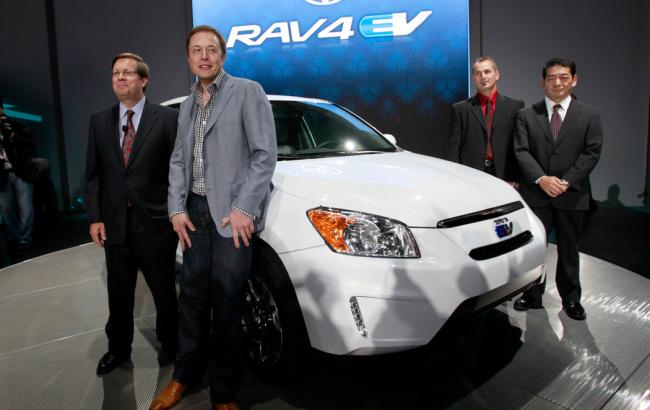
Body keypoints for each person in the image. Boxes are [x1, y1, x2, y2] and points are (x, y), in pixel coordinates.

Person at [149, 26, 276, 410]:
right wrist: (175, 209)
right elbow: (178, 161)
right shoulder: (188, 103)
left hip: (230, 217)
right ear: (189, 58)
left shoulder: (247, 91)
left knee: (226, 304)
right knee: (190, 298)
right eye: (196, 50)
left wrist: (243, 209)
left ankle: (223, 390)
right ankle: (184, 376)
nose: (203, 56)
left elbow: (264, 156)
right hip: (194, 214)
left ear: (222, 55)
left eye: (211, 50)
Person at [85, 52, 179, 375]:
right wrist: (95, 217)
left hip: (156, 224)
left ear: (144, 80)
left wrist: (175, 212)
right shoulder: (99, 121)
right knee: (119, 293)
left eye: (127, 72)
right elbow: (93, 175)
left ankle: (171, 344)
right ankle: (118, 349)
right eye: (116, 73)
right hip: (115, 225)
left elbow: (177, 171)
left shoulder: (166, 119)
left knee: (164, 291)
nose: (121, 77)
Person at [513, 57, 603, 321]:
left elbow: (592, 151)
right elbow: (521, 150)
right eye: (551, 78)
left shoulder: (589, 114)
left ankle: (571, 298)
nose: (558, 82)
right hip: (537, 194)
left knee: (569, 249)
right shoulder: (527, 115)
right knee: (534, 247)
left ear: (574, 80)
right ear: (543, 82)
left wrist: (566, 181)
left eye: (564, 77)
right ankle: (531, 294)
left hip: (572, 194)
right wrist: (542, 179)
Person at [447, 57, 524, 184]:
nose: (483, 76)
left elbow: (520, 147)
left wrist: (517, 179)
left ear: (497, 74)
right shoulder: (461, 109)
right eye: (478, 73)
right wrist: (455, 179)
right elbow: (453, 150)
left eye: (487, 72)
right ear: (474, 78)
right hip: (470, 176)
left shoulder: (515, 107)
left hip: (505, 176)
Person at [0, 106, 37, 250]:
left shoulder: (16, 125)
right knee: (6, 209)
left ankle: (24, 238)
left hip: (21, 171)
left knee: (26, 206)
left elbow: (31, 143)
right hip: (2, 173)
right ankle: (17, 237)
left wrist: (13, 136)